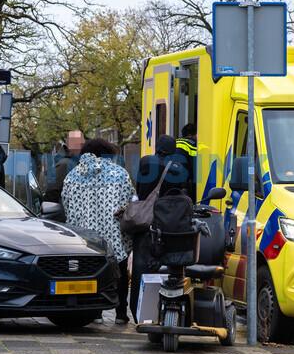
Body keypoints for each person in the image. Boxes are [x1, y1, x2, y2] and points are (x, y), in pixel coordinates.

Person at [62, 139, 134, 324]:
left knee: (89, 273)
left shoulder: (72, 176)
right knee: (120, 272)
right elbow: (130, 201)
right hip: (114, 235)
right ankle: (120, 313)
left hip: (84, 239)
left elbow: (66, 204)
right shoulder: (119, 174)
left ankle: (95, 312)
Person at [130, 134, 188, 322]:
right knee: (169, 265)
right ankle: (162, 309)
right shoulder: (178, 168)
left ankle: (136, 310)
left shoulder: (146, 162)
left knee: (140, 265)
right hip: (168, 224)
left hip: (145, 222)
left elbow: (139, 189)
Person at [44, 130, 84, 205]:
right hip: (64, 213)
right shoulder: (65, 165)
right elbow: (52, 193)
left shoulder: (76, 162)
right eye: (80, 144)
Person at [175, 123, 197, 198]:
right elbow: (195, 169)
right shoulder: (193, 145)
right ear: (194, 134)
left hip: (170, 184)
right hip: (185, 186)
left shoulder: (174, 142)